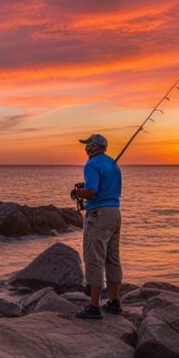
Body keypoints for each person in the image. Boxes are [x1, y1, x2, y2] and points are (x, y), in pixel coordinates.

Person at [72, 133, 123, 320]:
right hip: (115, 212)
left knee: (94, 259)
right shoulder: (113, 164)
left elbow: (92, 192)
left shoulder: (91, 164)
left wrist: (77, 191)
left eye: (89, 144)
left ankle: (94, 306)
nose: (86, 148)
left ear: (96, 146)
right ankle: (115, 301)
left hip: (98, 214)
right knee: (113, 258)